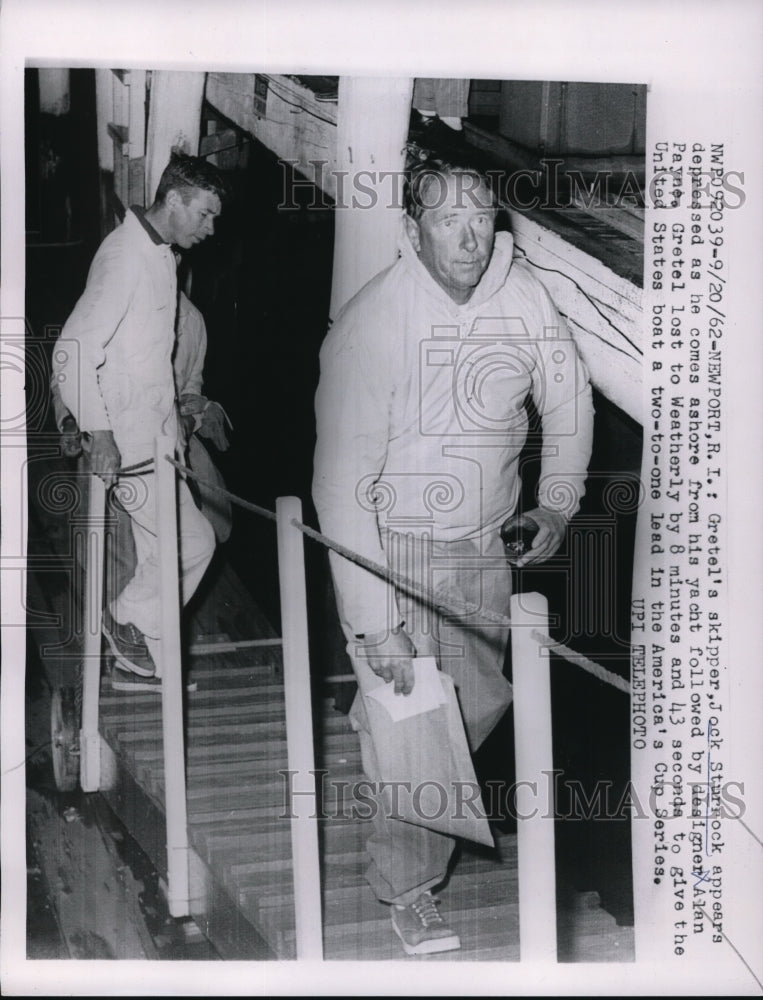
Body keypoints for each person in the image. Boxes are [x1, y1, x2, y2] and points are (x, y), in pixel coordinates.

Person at [312, 156, 594, 955]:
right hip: (392, 551)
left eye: (480, 219)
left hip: (481, 549)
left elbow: (569, 403)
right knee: (414, 721)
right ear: (413, 230)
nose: (470, 240)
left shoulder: (524, 297)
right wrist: (375, 625)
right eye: (447, 222)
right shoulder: (372, 324)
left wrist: (555, 501)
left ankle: (381, 738)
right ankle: (408, 890)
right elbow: (338, 487)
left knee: (475, 707)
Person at [52, 152, 229, 687]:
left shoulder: (161, 256)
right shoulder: (125, 256)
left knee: (163, 556)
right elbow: (72, 350)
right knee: (194, 543)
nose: (211, 228)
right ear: (173, 199)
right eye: (204, 214)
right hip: (130, 444)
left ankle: (143, 666)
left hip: (158, 443)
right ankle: (124, 617)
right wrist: (100, 433)